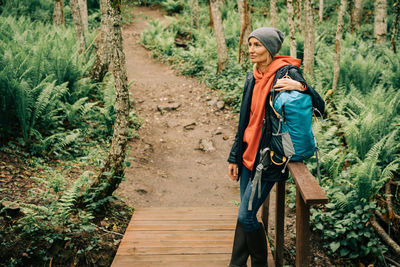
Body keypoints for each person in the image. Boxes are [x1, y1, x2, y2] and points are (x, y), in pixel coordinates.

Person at [227, 27, 325, 267]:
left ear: (270, 48)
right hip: (248, 156)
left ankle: (258, 263)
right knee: (245, 215)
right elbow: (244, 120)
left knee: (246, 215)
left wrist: (302, 88)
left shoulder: (287, 73)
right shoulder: (253, 75)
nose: (251, 50)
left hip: (269, 159)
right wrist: (234, 156)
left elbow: (321, 107)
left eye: (257, 45)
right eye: (249, 45)